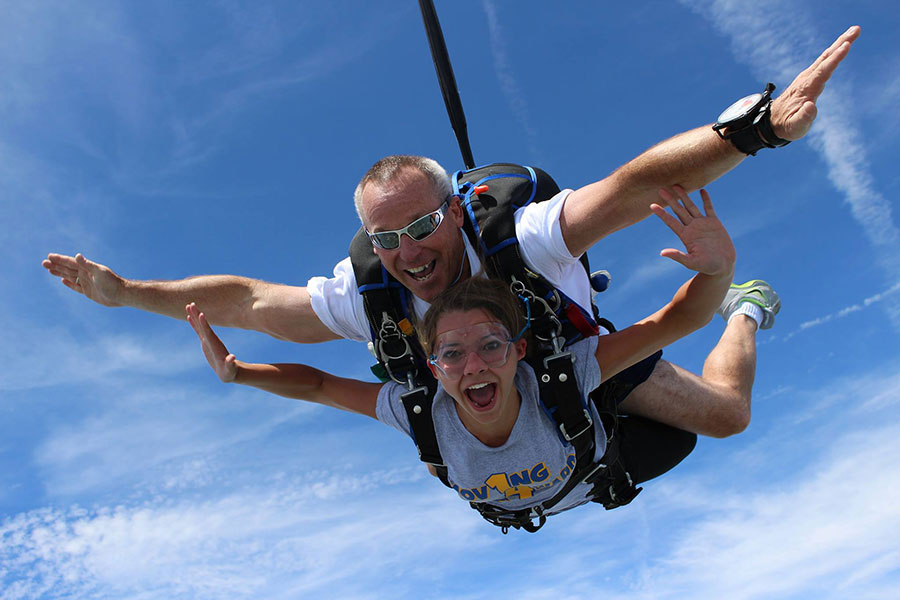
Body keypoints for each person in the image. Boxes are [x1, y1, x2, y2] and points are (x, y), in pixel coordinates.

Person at [42, 26, 856, 437]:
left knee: (726, 415)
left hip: (584, 364)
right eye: (386, 238)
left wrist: (757, 133)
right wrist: (126, 295)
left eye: (424, 225)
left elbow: (635, 185)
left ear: (459, 211)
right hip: (505, 416)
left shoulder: (525, 235)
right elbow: (250, 301)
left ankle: (747, 309)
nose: (408, 252)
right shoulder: (368, 293)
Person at [185, 188, 742, 529]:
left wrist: (716, 272)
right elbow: (319, 386)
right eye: (451, 353)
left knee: (729, 417)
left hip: (595, 425)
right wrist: (238, 373)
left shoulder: (568, 370)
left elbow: (674, 320)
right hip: (575, 484)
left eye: (490, 346)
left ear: (519, 351)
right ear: (432, 368)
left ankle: (747, 309)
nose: (473, 365)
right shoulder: (419, 410)